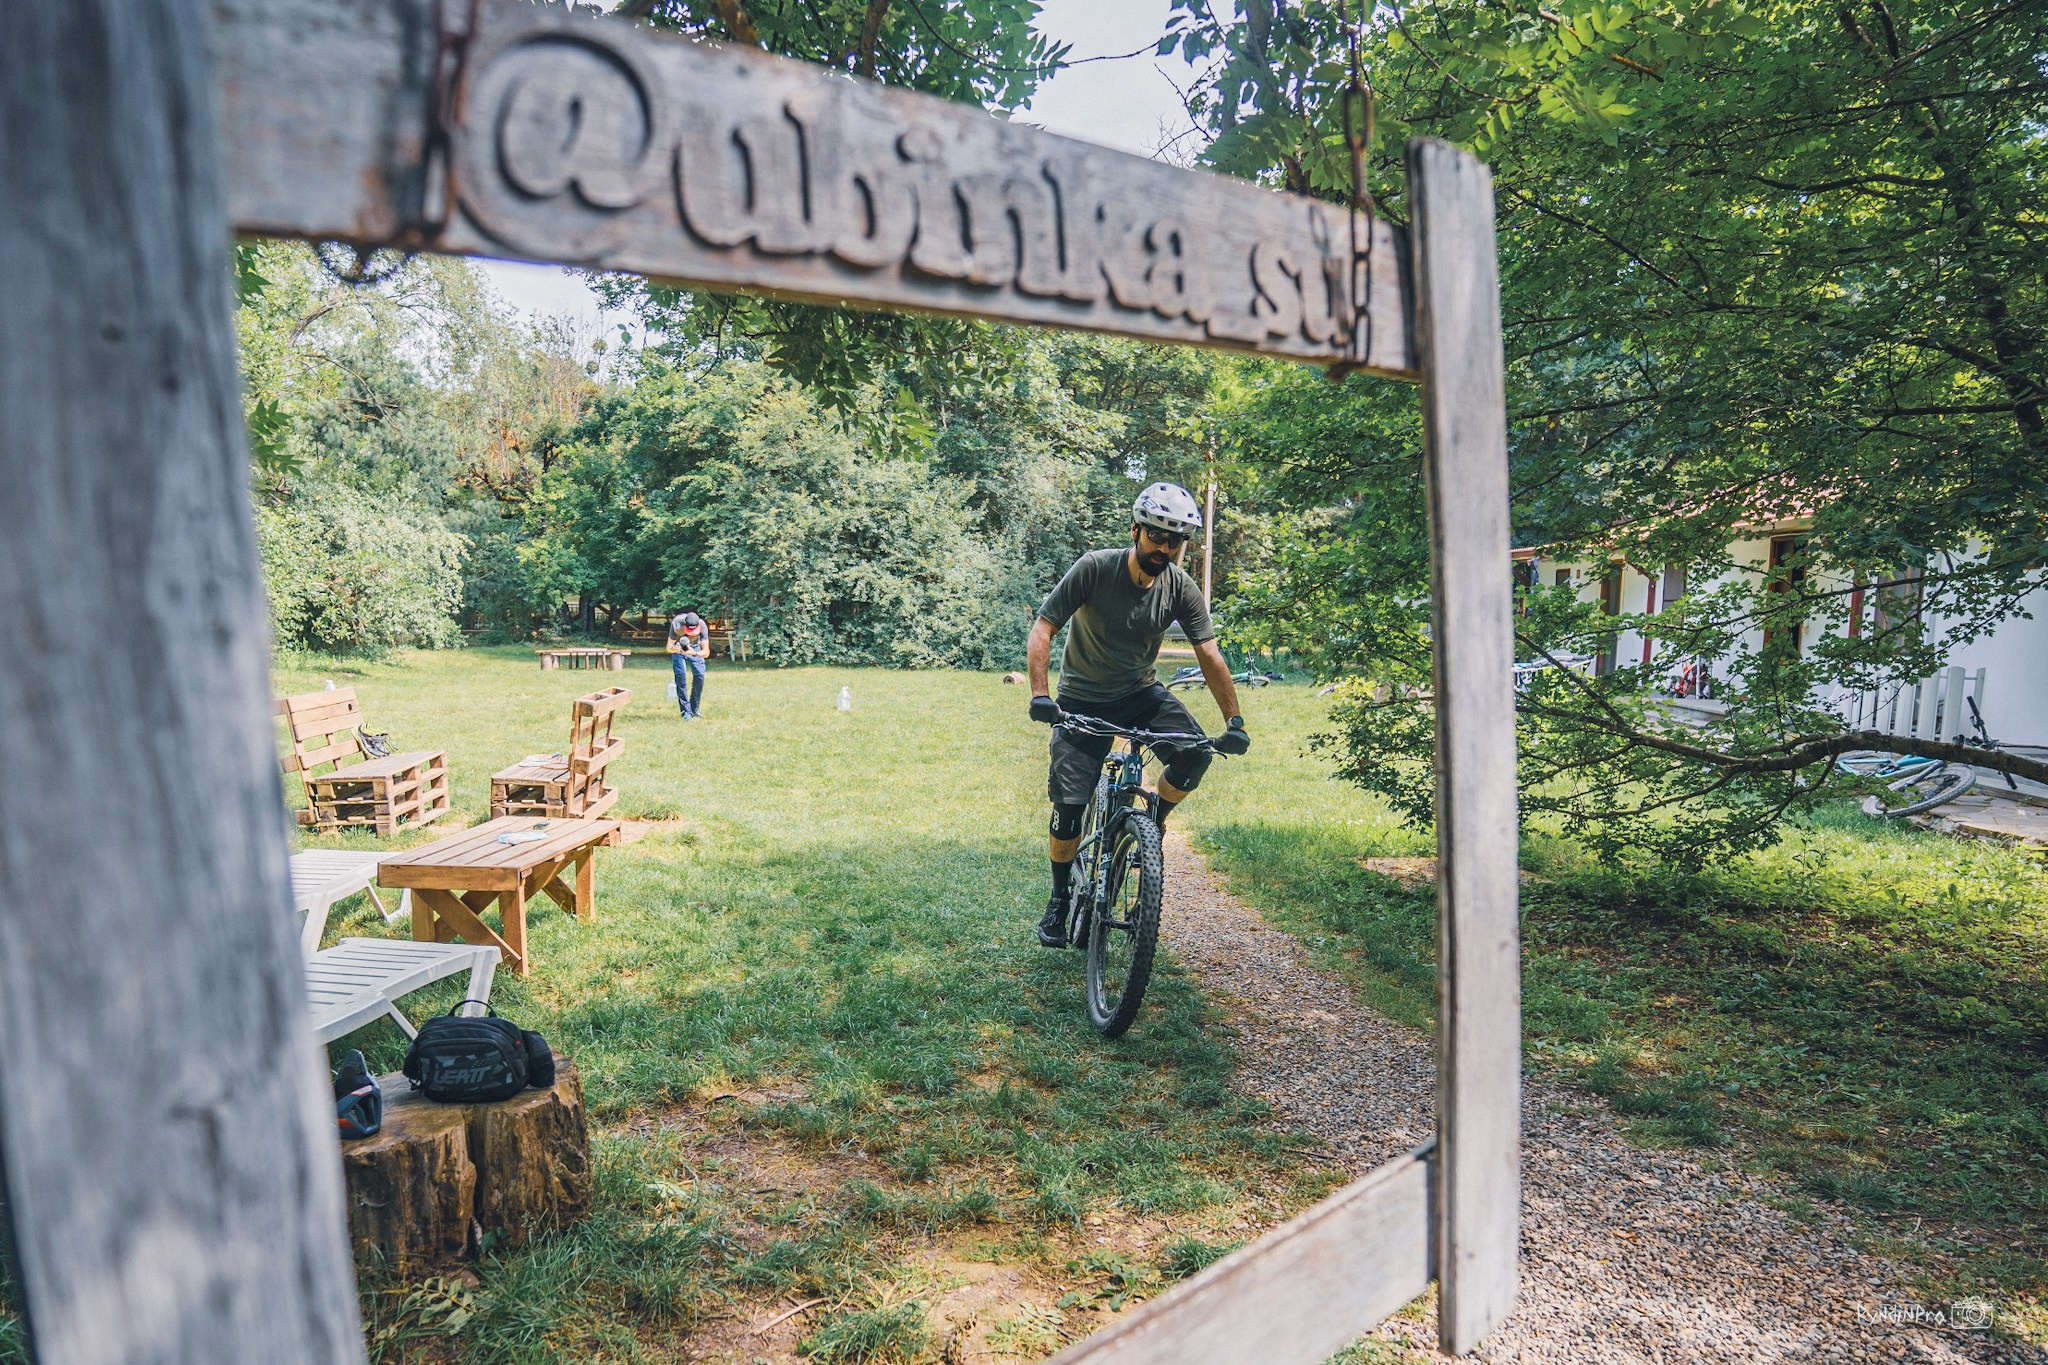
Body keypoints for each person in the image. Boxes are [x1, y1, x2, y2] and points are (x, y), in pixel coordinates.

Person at [1026, 482, 1251, 947]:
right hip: (1082, 699)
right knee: (1069, 807)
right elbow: (1045, 626)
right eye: (1156, 536)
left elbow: (1208, 653)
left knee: (1194, 754)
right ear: (1136, 530)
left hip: (1140, 692)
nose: (1164, 548)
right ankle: (1059, 897)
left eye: (1175, 540)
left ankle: (1156, 821)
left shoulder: (1180, 587)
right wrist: (1041, 694)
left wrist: (1234, 721)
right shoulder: (1095, 568)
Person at [667, 610, 710, 718]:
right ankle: (685, 711)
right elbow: (668, 648)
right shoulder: (677, 623)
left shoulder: (702, 626)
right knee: (681, 678)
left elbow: (706, 652)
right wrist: (675, 649)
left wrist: (694, 653)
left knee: (699, 676)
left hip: (695, 648)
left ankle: (695, 710)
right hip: (679, 648)